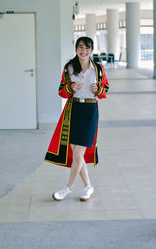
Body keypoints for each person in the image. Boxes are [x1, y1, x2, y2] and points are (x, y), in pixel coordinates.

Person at [45, 36, 109, 201]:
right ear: (76, 49)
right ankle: (88, 187)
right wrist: (70, 87)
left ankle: (68, 188)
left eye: (87, 48)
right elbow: (61, 91)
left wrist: (97, 90)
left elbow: (105, 92)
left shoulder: (98, 69)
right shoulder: (69, 68)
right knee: (76, 153)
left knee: (79, 152)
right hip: (73, 110)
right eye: (80, 47)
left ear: (91, 51)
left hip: (89, 111)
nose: (83, 50)